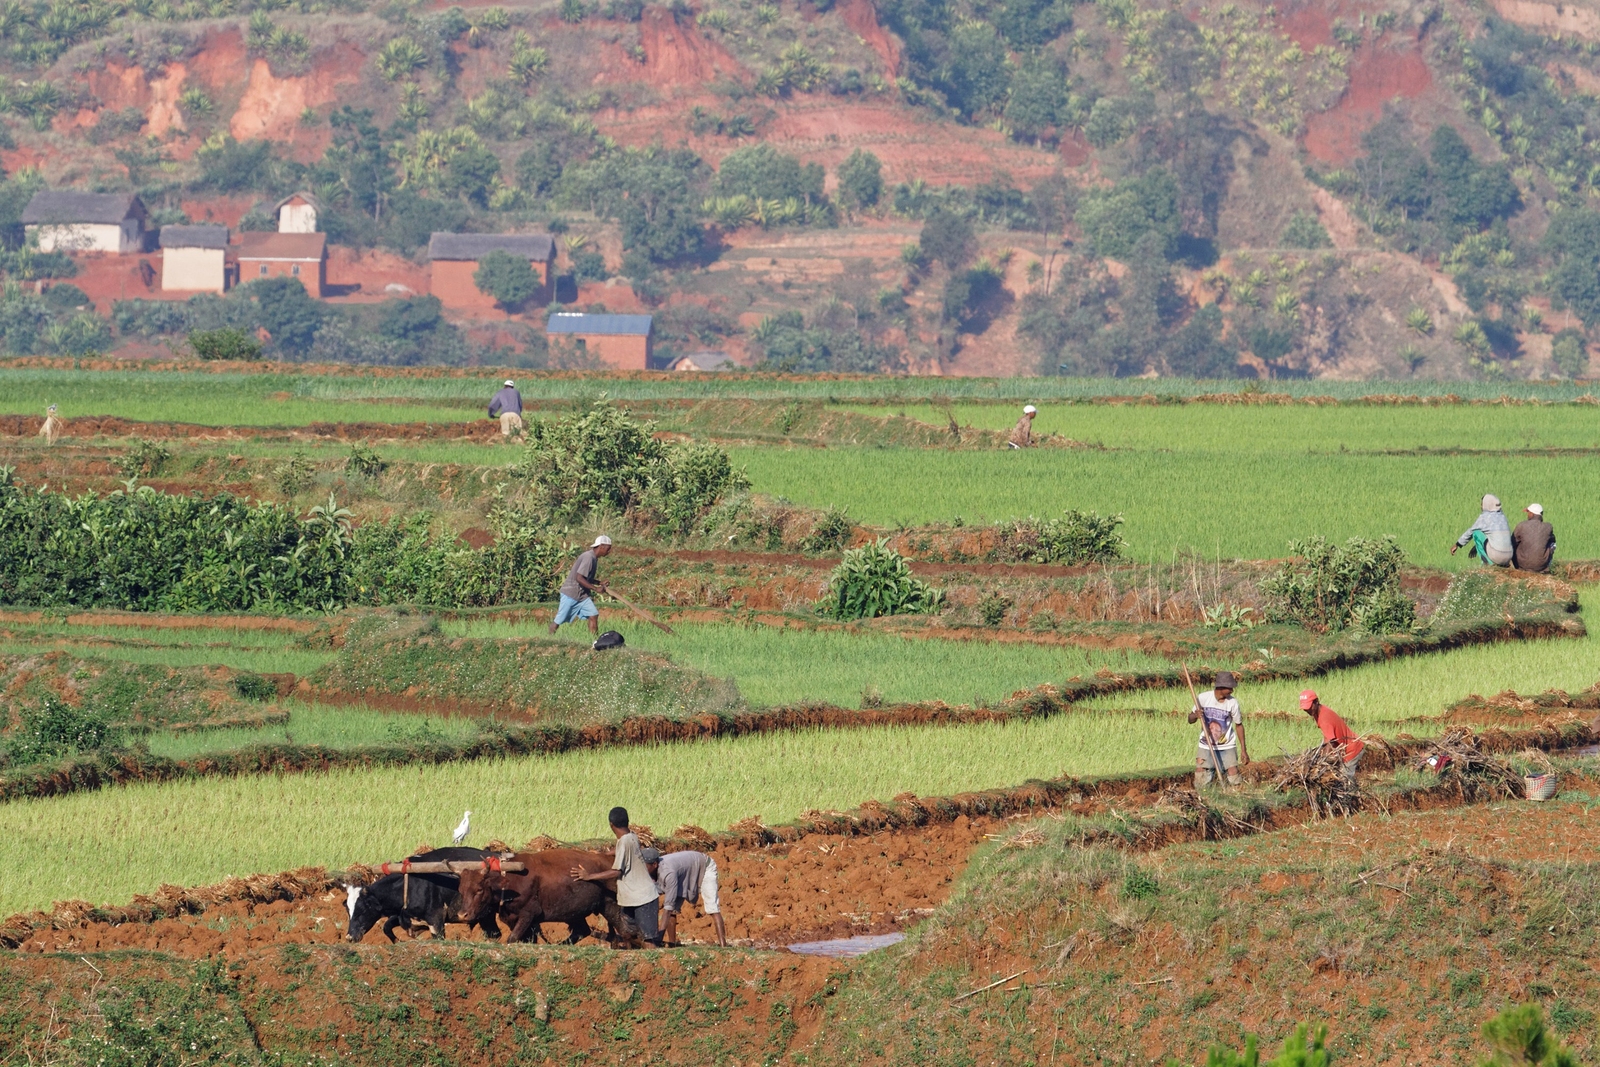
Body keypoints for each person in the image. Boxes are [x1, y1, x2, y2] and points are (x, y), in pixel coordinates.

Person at [570, 807, 661, 948]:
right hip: (635, 898)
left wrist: (589, 876)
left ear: (611, 824)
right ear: (627, 821)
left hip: (643, 899)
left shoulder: (624, 842)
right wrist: (604, 855)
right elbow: (621, 849)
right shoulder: (631, 836)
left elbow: (616, 872)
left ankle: (655, 965)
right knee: (630, 935)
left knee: (648, 941)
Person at [1187, 670, 1249, 788]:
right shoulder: (1203, 698)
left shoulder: (1232, 703)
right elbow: (1190, 719)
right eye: (1230, 688)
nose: (1232, 690)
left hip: (1227, 745)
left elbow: (1239, 725)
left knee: (1233, 775)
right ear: (1221, 687)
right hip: (1206, 745)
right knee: (1201, 775)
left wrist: (1243, 750)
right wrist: (1195, 715)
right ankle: (1205, 798)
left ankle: (1236, 797)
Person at [657, 849, 726, 948]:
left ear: (654, 864)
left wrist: (659, 939)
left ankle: (723, 945)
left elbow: (667, 908)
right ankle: (672, 945)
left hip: (705, 867)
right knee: (673, 909)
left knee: (713, 907)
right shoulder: (654, 870)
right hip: (686, 873)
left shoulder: (668, 873)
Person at [550, 536, 612, 637]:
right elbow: (579, 578)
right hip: (571, 594)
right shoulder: (589, 557)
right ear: (601, 547)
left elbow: (585, 577)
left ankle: (594, 641)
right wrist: (596, 589)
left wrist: (599, 582)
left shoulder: (594, 558)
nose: (609, 552)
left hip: (582, 596)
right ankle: (549, 639)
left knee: (593, 615)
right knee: (558, 620)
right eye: (608, 549)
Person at [1300, 690, 1363, 783]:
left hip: (1351, 750)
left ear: (1316, 702)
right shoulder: (1319, 711)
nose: (1307, 711)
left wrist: (1322, 761)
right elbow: (1328, 737)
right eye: (1305, 708)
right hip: (1345, 748)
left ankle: (1352, 796)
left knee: (1345, 780)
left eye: (1309, 707)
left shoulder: (1324, 718)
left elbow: (1330, 742)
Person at [1451, 493, 1513, 566]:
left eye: (1482, 504)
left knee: (1476, 533)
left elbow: (1471, 531)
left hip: (1497, 556)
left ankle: (1486, 563)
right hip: (1509, 556)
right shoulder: (1502, 517)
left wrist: (1457, 544)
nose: (1481, 506)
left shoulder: (1485, 517)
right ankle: (1501, 564)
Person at [1512, 503, 1556, 573]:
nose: (1527, 515)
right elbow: (1553, 541)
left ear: (1532, 514)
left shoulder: (1522, 525)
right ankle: (1545, 568)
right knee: (1552, 544)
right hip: (1541, 565)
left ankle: (1518, 568)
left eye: (1528, 512)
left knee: (1514, 543)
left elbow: (1512, 542)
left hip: (1522, 564)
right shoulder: (1548, 527)